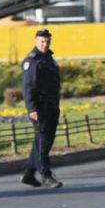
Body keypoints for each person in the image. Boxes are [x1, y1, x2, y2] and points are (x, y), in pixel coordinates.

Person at [20, 29, 63, 189]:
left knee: (43, 140)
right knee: (43, 141)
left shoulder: (48, 58)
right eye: (42, 41)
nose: (45, 44)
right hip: (40, 107)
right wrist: (32, 109)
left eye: (47, 41)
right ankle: (46, 175)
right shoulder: (32, 61)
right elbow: (28, 87)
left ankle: (28, 173)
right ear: (36, 41)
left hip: (51, 105)